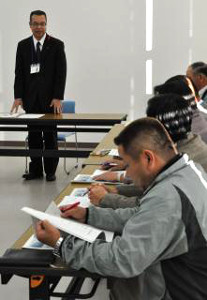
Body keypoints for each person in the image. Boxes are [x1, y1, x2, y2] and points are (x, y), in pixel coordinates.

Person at [35, 117, 207, 300]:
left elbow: (123, 260)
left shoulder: (167, 196)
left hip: (180, 291)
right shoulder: (188, 170)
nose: (129, 174)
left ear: (148, 158)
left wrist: (62, 245)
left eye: (129, 165)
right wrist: (89, 215)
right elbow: (142, 214)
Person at [88, 93, 207, 209]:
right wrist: (117, 190)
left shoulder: (184, 159)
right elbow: (154, 185)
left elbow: (149, 206)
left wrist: (105, 199)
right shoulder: (183, 143)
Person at [11, 10, 67, 181]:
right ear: (30, 25)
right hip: (30, 99)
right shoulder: (23, 45)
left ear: (46, 24)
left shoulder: (56, 45)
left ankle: (50, 171)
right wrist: (18, 96)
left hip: (50, 101)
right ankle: (35, 170)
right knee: (34, 135)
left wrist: (58, 97)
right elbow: (19, 73)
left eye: (42, 23)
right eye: (35, 24)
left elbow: (61, 73)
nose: (39, 27)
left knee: (50, 136)